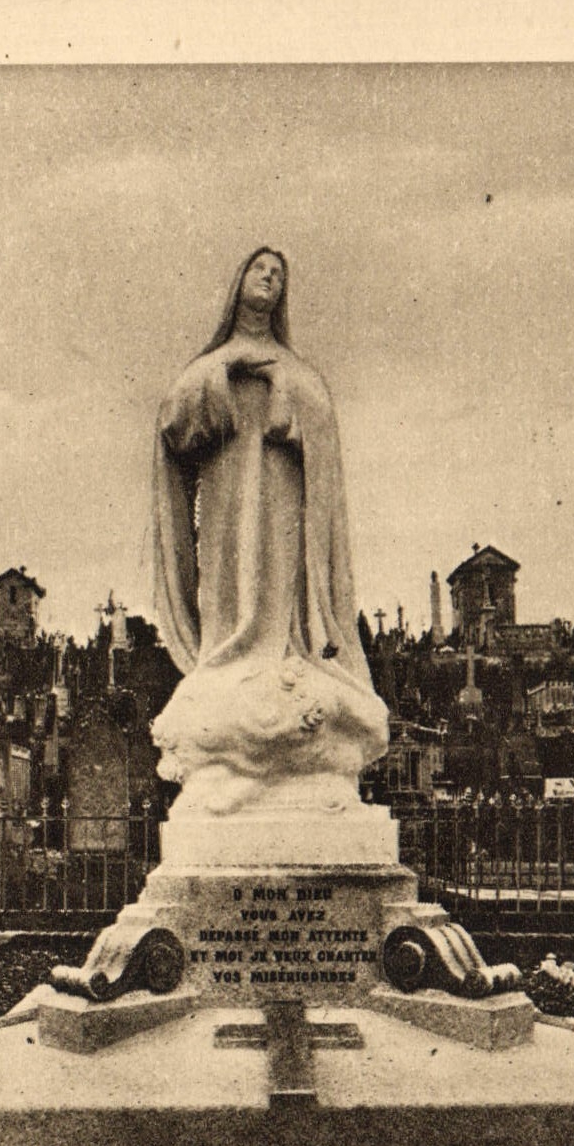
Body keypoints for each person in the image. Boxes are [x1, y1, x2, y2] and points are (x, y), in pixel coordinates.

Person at [150, 248, 388, 814]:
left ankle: (286, 652)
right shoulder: (210, 365)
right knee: (230, 587)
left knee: (281, 583)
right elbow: (172, 425)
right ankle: (234, 655)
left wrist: (288, 395)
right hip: (230, 499)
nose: (271, 278)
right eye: (261, 269)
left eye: (279, 273)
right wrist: (222, 379)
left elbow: (322, 428)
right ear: (239, 283)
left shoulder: (297, 370)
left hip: (284, 501)